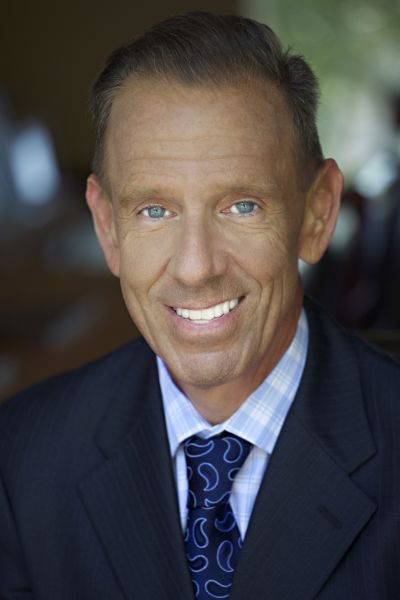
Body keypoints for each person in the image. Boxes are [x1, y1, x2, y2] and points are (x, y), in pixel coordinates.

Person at [0, 12, 399, 600]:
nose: (195, 267)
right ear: (107, 228)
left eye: (242, 206)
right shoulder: (21, 457)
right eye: (154, 210)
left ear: (316, 215)